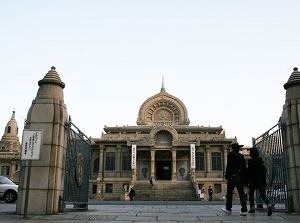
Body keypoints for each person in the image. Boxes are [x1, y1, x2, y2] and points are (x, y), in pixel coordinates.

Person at [222, 142, 248, 216]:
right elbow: (244, 169)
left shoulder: (230, 155)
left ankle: (228, 208)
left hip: (232, 177)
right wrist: (244, 178)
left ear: (232, 148)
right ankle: (244, 210)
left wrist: (226, 177)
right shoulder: (241, 156)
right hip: (240, 177)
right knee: (242, 194)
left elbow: (228, 167)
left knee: (229, 193)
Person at [247, 147, 273, 216]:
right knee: (263, 195)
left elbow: (249, 172)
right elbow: (264, 171)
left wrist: (248, 181)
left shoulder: (250, 162)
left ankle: (252, 208)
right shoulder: (261, 161)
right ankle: (269, 205)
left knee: (251, 195)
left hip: (253, 181)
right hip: (261, 181)